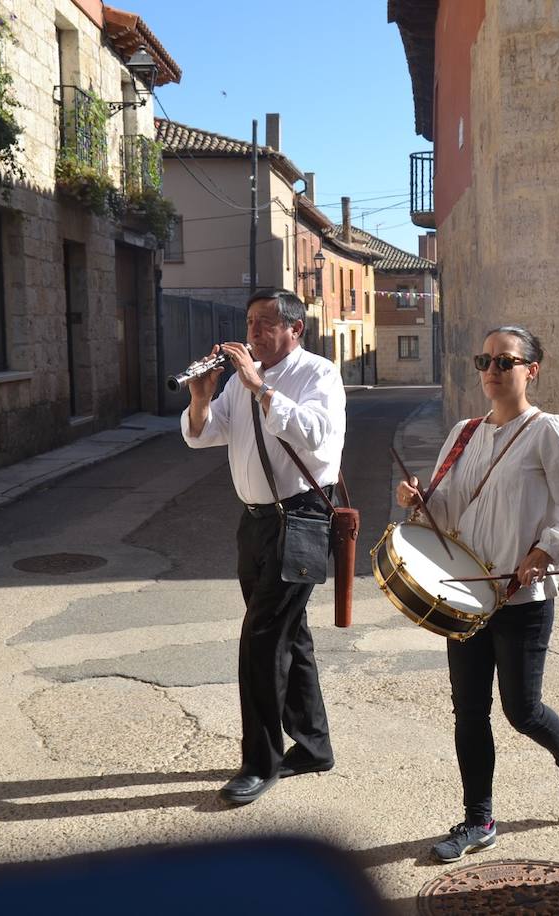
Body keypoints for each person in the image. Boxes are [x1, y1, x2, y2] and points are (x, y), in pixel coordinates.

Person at [395, 325, 559, 863]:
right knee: (469, 712)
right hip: (465, 595)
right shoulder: (463, 432)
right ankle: (478, 818)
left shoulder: (550, 431)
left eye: (505, 362)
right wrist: (418, 501)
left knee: (522, 710)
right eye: (484, 360)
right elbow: (444, 512)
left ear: (532, 369)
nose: (491, 370)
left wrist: (545, 552)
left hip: (521, 596)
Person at [181, 288, 345, 807]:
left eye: (266, 322)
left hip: (300, 518)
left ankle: (260, 762)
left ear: (296, 329)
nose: (253, 332)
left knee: (261, 640)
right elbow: (205, 436)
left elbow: (318, 436)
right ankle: (314, 745)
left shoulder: (318, 374)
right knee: (290, 634)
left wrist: (259, 387)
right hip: (254, 522)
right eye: (250, 321)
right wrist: (203, 396)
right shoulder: (237, 381)